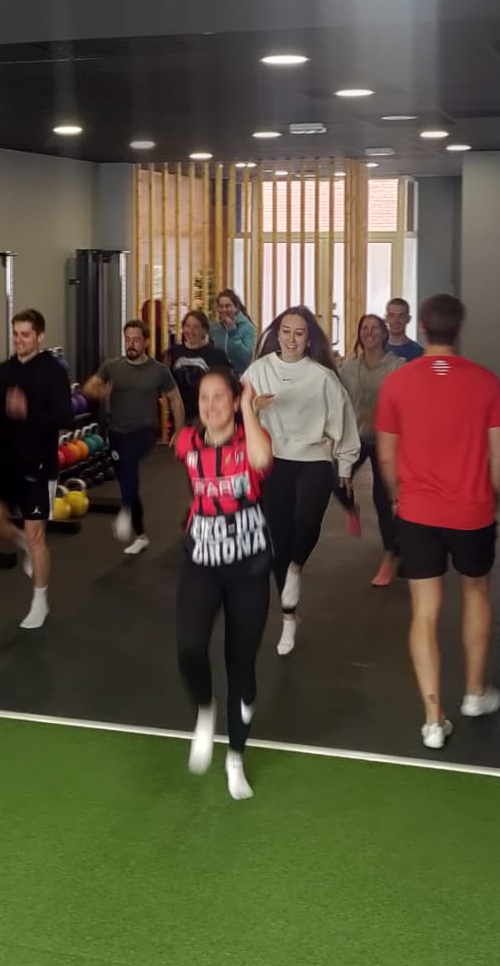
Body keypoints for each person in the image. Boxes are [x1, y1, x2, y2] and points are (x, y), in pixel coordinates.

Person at [373, 294, 500, 750]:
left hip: (417, 513)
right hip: (473, 512)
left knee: (424, 610)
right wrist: (489, 499)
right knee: (476, 591)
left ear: (422, 328)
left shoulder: (397, 383)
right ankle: (475, 694)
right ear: (459, 328)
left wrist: (399, 497)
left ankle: (433, 720)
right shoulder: (487, 383)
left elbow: (386, 457)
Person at [175, 368, 275, 801]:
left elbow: (262, 462)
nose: (211, 405)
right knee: (189, 647)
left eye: (220, 397)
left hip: (248, 567)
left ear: (234, 402)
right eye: (204, 398)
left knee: (241, 665)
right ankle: (205, 709)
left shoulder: (251, 441)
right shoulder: (186, 442)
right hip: (202, 561)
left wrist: (248, 406)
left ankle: (235, 756)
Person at [242, 307, 360, 656]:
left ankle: (297, 567)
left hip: (315, 459)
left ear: (309, 339)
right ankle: (288, 618)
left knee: (307, 521)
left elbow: (344, 421)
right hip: (274, 460)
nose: (291, 339)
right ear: (276, 334)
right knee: (278, 540)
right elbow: (237, 411)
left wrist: (345, 467)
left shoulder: (322, 377)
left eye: (299, 333)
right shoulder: (259, 370)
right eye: (286, 331)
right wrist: (253, 407)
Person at [0, 308, 72, 628]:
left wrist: (28, 411)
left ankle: (39, 602)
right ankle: (20, 542)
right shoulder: (3, 372)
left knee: (37, 537)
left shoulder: (53, 371)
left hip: (38, 464)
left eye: (26, 334)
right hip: (6, 464)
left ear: (39, 336)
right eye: (16, 334)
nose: (19, 340)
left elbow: (66, 416)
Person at [82, 320, 183, 555]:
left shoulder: (158, 370)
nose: (131, 344)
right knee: (127, 479)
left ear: (146, 341)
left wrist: (179, 432)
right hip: (117, 431)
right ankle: (141, 535)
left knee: (128, 462)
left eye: (136, 339)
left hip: (145, 431)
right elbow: (89, 387)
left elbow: (175, 400)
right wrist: (98, 390)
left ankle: (125, 510)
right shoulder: (112, 367)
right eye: (128, 339)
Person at [337, 313, 405, 587]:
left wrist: (379, 414)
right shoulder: (348, 368)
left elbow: (405, 403)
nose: (369, 332)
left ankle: (390, 555)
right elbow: (337, 399)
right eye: (364, 328)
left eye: (375, 328)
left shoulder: (397, 366)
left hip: (386, 439)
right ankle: (351, 508)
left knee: (382, 497)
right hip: (356, 437)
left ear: (384, 334)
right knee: (333, 477)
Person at [164, 310, 232, 425]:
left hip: (207, 415)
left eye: (195, 327)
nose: (190, 331)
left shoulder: (217, 355)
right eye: (187, 326)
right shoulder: (172, 353)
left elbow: (227, 384)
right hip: (178, 416)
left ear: (204, 330)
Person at [213, 289, 258, 372]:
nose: (224, 309)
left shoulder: (248, 327)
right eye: (221, 306)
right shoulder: (215, 328)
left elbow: (248, 359)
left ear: (236, 307)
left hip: (241, 375)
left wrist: (233, 333)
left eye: (228, 306)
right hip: (220, 375)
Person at [383, 297, 425, 361]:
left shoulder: (418, 352)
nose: (396, 320)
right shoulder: (377, 349)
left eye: (401, 316)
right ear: (386, 318)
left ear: (408, 319)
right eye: (392, 315)